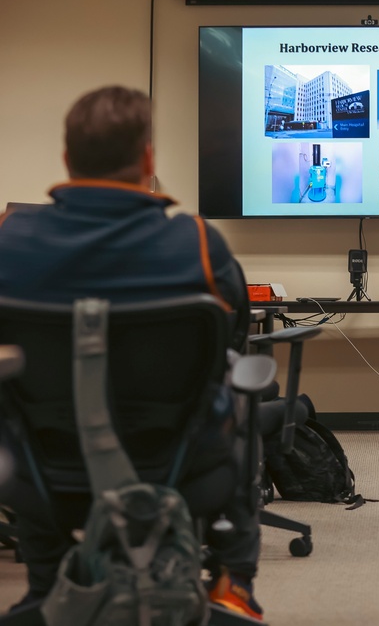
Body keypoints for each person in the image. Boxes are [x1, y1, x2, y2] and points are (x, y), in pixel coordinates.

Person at [0, 86, 264, 620]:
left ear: (68, 160)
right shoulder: (197, 244)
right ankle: (234, 579)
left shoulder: (8, 238)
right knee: (248, 392)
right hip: (181, 464)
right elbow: (233, 337)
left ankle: (46, 580)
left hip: (40, 467)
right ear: (147, 158)